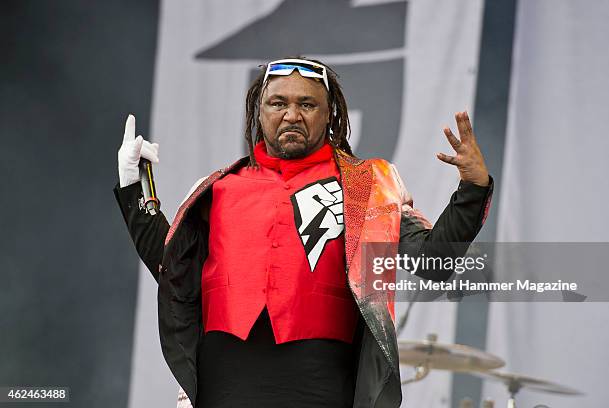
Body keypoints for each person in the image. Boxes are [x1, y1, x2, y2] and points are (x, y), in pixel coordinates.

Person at [114, 57, 493, 408]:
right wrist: (133, 186)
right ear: (257, 112)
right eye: (278, 103)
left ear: (330, 114)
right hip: (225, 378)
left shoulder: (366, 187)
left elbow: (431, 262)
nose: (292, 115)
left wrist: (472, 189)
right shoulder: (216, 190)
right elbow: (171, 269)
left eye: (307, 105)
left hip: (323, 378)